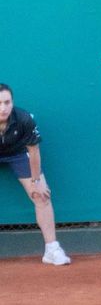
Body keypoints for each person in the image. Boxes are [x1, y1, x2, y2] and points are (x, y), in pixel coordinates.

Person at [0, 85, 70, 265]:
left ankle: (52, 249)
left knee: (41, 195)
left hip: (17, 153)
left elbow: (34, 150)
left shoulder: (24, 119)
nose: (3, 108)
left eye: (7, 102)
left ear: (12, 102)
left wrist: (37, 181)